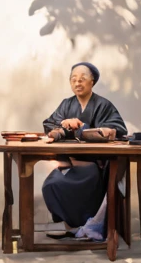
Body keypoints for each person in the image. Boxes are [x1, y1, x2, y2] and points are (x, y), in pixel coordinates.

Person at [40, 62, 127, 240]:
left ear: (92, 82)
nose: (77, 83)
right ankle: (73, 227)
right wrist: (59, 131)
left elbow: (116, 128)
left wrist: (82, 127)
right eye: (73, 80)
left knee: (87, 184)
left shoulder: (103, 105)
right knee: (51, 185)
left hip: (95, 166)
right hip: (70, 163)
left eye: (82, 79)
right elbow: (50, 123)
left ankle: (91, 226)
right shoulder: (66, 104)